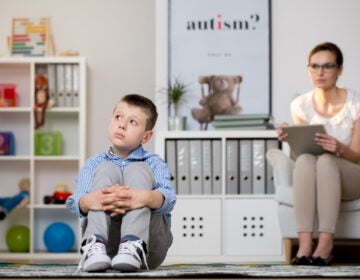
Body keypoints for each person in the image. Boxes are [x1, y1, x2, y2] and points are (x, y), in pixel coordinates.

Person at [66, 94, 176, 273]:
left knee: (138, 169)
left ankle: (133, 244)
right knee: (106, 168)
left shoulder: (153, 162)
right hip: (108, 246)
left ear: (146, 136)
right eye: (118, 117)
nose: (122, 125)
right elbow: (75, 201)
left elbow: (170, 199)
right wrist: (89, 201)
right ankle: (95, 245)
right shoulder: (95, 163)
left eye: (133, 122)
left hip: (149, 248)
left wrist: (145, 197)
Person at [277, 42, 360, 266]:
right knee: (305, 159)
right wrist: (291, 138)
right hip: (318, 172)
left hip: (352, 174)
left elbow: (357, 157)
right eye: (314, 66)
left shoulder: (356, 103)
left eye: (327, 66)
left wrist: (339, 148)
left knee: (326, 160)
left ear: (339, 69)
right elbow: (305, 153)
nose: (319, 72)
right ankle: (304, 246)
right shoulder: (300, 105)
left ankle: (325, 245)